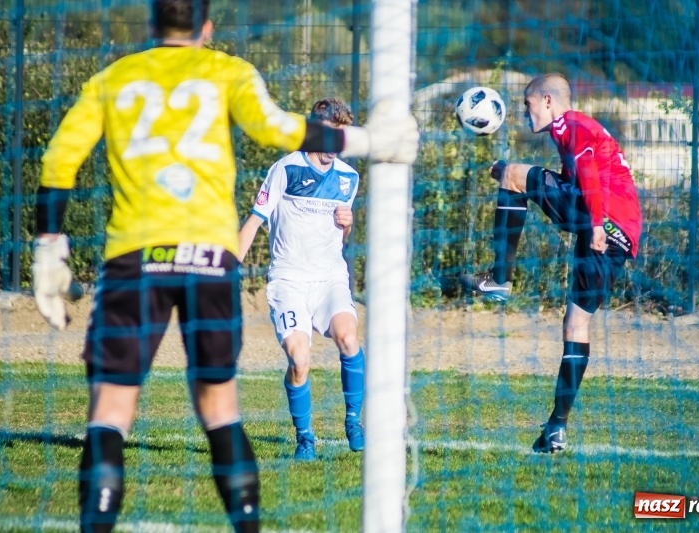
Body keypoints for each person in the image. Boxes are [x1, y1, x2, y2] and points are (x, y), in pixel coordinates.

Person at [30, 0, 418, 530]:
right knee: (220, 411)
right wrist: (371, 140)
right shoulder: (228, 72)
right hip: (210, 262)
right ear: (207, 27)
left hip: (135, 259)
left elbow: (58, 159)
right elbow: (280, 129)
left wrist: (48, 243)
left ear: (152, 23)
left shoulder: (113, 78)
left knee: (110, 415)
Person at [459, 72, 641, 453]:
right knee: (575, 324)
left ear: (547, 101)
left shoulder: (570, 124)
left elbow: (588, 175)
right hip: (621, 236)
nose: (526, 114)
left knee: (513, 174)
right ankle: (557, 426)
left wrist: (595, 224)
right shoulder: (578, 133)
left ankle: (500, 278)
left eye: (527, 105)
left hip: (599, 221)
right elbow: (577, 178)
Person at [237, 97, 364, 462]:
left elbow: (338, 235)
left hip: (330, 279)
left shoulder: (348, 178)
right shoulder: (286, 169)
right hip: (288, 281)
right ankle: (305, 437)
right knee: (300, 359)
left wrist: (347, 224)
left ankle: (354, 422)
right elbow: (254, 221)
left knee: (349, 338)